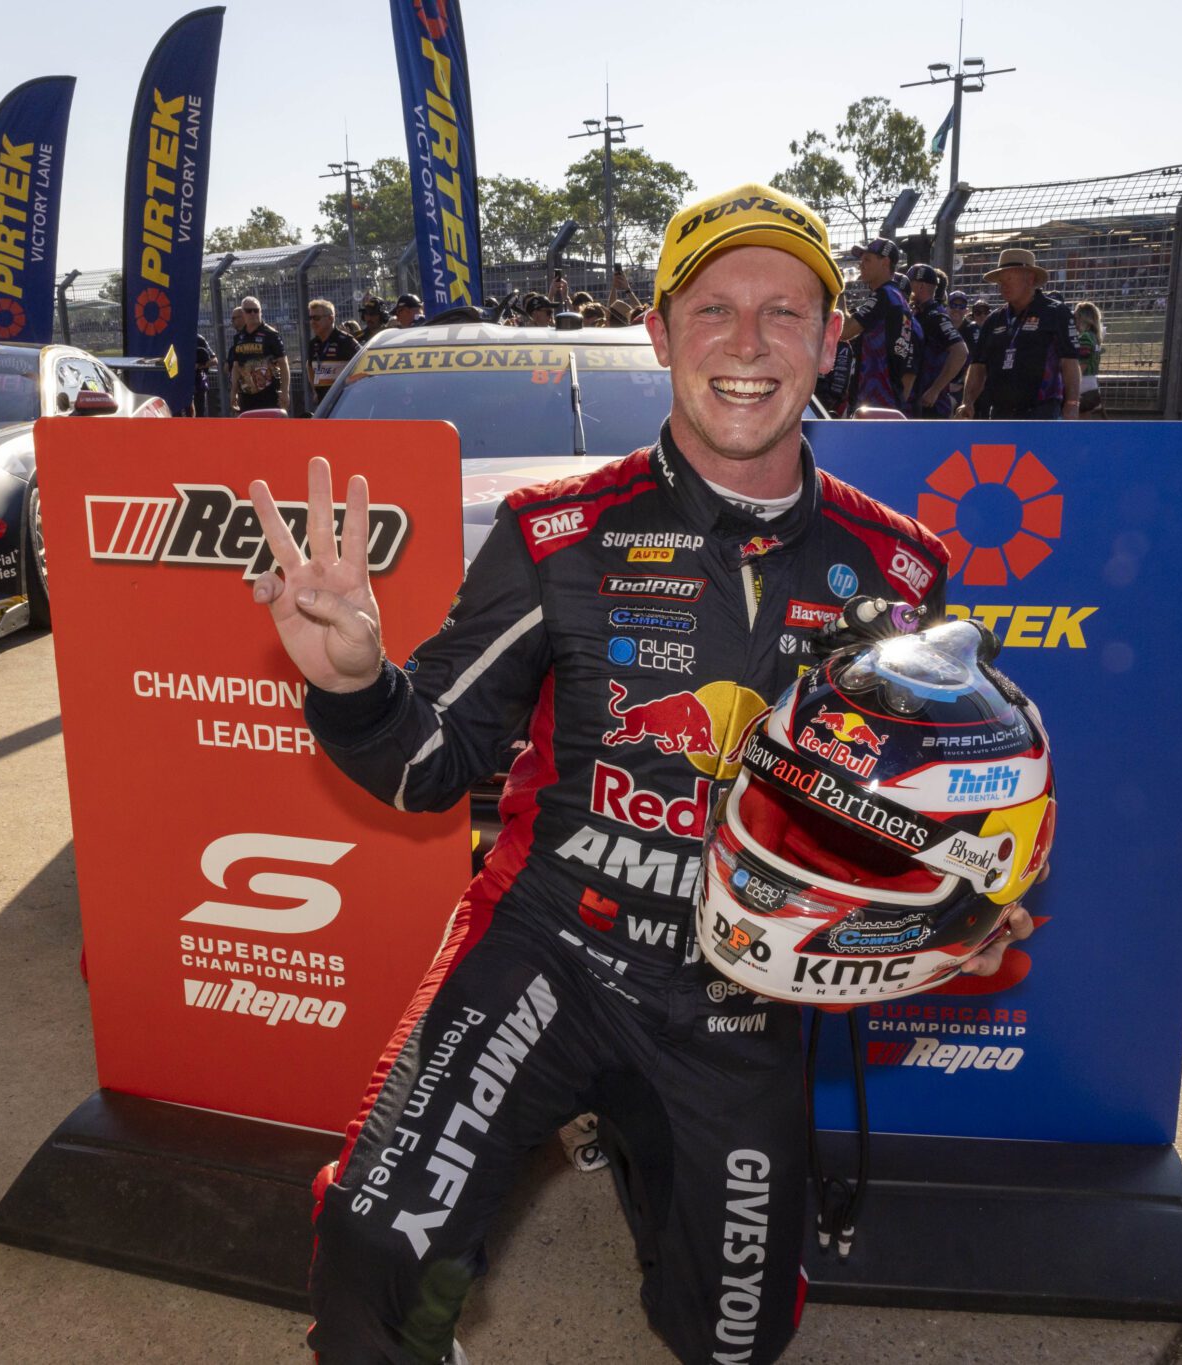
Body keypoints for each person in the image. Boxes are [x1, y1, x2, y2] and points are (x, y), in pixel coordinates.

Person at [254, 181, 1027, 1365]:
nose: (747, 345)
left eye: (784, 312)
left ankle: (642, 1150)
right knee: (372, 1252)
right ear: (659, 336)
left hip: (741, 996)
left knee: (732, 1334)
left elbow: (918, 810)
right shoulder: (555, 531)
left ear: (832, 337)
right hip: (547, 949)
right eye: (712, 310)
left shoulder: (900, 566)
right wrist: (352, 680)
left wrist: (958, 903)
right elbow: (429, 770)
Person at [961, 247, 1082, 422]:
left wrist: (1072, 403)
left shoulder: (1056, 313)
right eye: (1000, 281)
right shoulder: (994, 319)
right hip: (999, 412)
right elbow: (978, 366)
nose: (1003, 285)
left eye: (1009, 278)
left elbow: (1070, 361)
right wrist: (967, 402)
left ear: (1030, 278)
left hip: (1041, 411)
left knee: (1037, 450)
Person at [836, 237, 919, 414]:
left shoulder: (884, 296)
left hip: (874, 401)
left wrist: (839, 291)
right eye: (861, 260)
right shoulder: (896, 297)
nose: (861, 265)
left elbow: (844, 331)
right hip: (887, 399)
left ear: (885, 262)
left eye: (867, 259)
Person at [905, 264, 968, 418]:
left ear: (920, 286)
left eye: (909, 284)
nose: (906, 289)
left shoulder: (935, 316)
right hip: (916, 403)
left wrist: (935, 389)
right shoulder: (919, 313)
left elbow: (960, 352)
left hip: (931, 406)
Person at [229, 295, 287, 413]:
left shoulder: (271, 334)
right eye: (249, 311)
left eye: (256, 310)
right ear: (243, 314)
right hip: (245, 393)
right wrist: (233, 391)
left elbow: (283, 364)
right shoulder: (238, 337)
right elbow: (236, 366)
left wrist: (285, 391)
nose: (253, 314)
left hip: (268, 393)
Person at [304, 297, 359, 412]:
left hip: (344, 402)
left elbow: (363, 363)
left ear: (330, 318)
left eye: (317, 318)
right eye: (310, 318)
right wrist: (314, 390)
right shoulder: (313, 344)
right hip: (322, 403)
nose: (312, 322)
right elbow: (309, 366)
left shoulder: (346, 341)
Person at [1073, 301, 1106, 418]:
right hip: (1092, 383)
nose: (1074, 321)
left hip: (1083, 384)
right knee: (1085, 419)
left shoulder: (1085, 337)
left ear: (1082, 318)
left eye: (1076, 317)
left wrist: (1070, 383)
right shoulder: (1095, 337)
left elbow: (1082, 364)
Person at [190, 330, 216, 417]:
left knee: (200, 414)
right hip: (181, 384)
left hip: (198, 383)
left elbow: (214, 360)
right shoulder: (175, 338)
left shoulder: (199, 339)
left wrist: (199, 365)